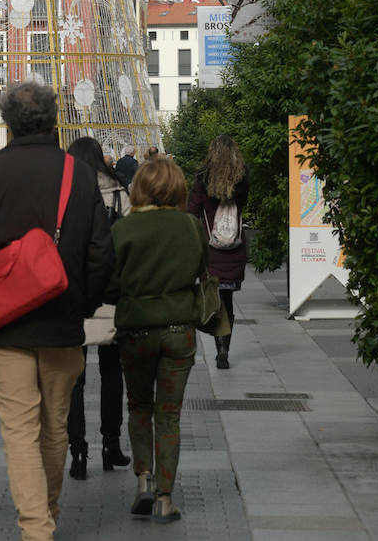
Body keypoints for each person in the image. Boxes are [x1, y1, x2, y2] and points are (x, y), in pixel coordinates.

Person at [0, 81, 115, 541]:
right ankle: (48, 515)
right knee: (54, 429)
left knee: (19, 431)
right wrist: (82, 306)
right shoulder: (78, 175)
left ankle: (37, 528)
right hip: (62, 325)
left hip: (4, 329)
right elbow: (102, 253)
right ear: (54, 119)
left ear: (7, 122)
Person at [107, 155, 208, 523]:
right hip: (180, 332)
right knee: (169, 414)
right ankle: (166, 498)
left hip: (136, 331)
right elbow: (201, 269)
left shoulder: (123, 229)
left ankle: (144, 481)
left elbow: (109, 284)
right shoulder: (191, 226)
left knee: (138, 407)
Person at [65, 137, 130, 479]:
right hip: (110, 292)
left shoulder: (63, 192)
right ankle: (111, 444)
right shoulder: (119, 191)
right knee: (111, 371)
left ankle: (77, 452)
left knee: (74, 375)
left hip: (73, 294)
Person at [187, 133, 249, 369]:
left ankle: (218, 347)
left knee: (214, 301)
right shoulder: (242, 180)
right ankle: (225, 351)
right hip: (234, 247)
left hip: (210, 249)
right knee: (228, 300)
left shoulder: (203, 180)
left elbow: (192, 210)